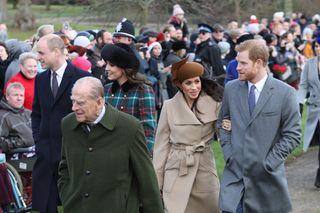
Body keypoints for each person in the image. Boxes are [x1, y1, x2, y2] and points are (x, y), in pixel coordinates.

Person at [218, 39, 301, 213]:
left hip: (267, 184)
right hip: (235, 183)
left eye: (242, 63)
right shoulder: (231, 89)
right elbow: (223, 124)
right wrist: (229, 154)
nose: (237, 67)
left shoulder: (285, 93)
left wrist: (268, 163)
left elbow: (293, 135)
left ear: (259, 63)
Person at [58, 77, 163, 213]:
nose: (74, 107)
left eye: (81, 103)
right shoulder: (68, 124)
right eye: (73, 101)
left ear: (99, 102)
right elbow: (64, 167)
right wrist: (67, 195)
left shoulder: (129, 127)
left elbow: (146, 178)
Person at [153, 57, 223, 213]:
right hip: (176, 168)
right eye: (188, 83)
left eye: (197, 81)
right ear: (180, 85)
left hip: (204, 167)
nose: (194, 87)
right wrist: (157, 183)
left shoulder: (215, 103)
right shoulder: (169, 107)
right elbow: (161, 147)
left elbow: (226, 137)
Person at [32, 34, 90, 213]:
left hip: (73, 154)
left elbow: (89, 116)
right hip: (46, 154)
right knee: (44, 206)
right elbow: (37, 113)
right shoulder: (41, 79)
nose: (38, 57)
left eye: (41, 53)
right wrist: (39, 139)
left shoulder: (81, 78)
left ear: (56, 51)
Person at [101, 43, 156, 154]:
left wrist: (142, 159)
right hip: (106, 152)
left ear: (123, 67)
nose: (107, 68)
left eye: (111, 65)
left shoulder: (143, 90)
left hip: (131, 153)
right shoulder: (106, 89)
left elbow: (148, 130)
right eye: (106, 64)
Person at [297, 37, 320, 188]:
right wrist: (299, 102)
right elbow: (304, 85)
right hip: (315, 110)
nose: (318, 48)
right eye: (316, 45)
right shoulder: (309, 64)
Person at [0, 82, 33, 152]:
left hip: (38, 154)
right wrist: (20, 142)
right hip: (16, 158)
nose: (19, 98)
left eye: (21, 95)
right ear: (7, 97)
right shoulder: (3, 116)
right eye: (16, 95)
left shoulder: (29, 113)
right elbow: (1, 144)